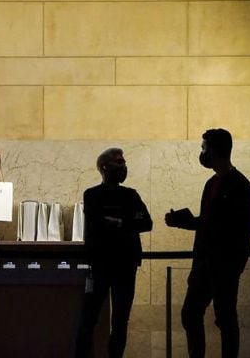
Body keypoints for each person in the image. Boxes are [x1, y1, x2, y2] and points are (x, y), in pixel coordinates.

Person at [165, 128, 250, 358]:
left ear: (215, 150)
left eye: (204, 148)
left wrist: (235, 266)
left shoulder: (241, 186)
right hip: (205, 264)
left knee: (224, 319)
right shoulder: (212, 183)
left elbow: (238, 230)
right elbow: (209, 222)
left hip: (224, 266)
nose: (202, 152)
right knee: (192, 314)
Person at [75, 148, 152, 358]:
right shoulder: (93, 195)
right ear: (104, 167)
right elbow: (98, 222)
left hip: (124, 265)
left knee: (119, 321)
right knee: (89, 319)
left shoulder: (130, 194)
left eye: (124, 162)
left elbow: (147, 222)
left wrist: (116, 221)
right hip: (103, 264)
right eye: (119, 162)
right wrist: (128, 222)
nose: (123, 166)